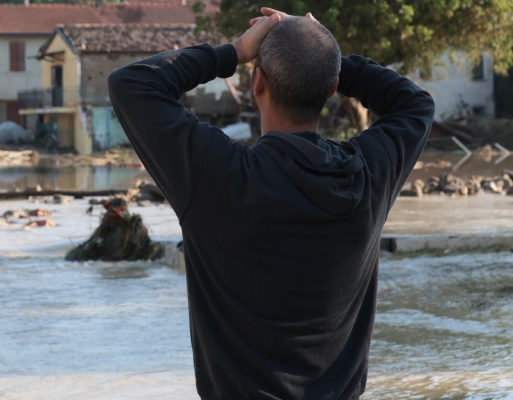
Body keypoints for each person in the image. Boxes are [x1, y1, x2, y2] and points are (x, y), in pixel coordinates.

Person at [108, 7, 433, 399]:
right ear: (332, 90)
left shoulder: (217, 177)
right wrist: (323, 57)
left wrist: (232, 52)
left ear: (256, 82)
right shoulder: (366, 178)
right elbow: (415, 104)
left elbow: (132, 83)